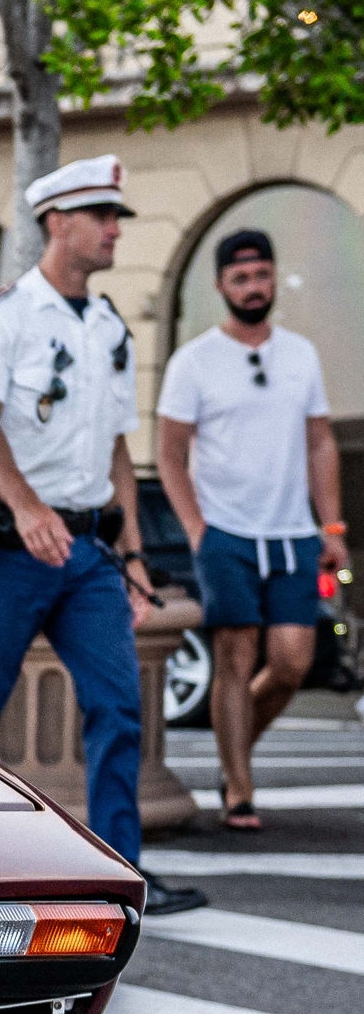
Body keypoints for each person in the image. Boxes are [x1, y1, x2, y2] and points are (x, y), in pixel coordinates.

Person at [0, 154, 205, 916]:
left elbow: (118, 445)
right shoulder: (5, 317)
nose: (115, 229)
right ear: (58, 223)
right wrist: (26, 506)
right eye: (103, 216)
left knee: (119, 707)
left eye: (116, 216)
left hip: (89, 551)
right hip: (8, 548)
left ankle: (122, 876)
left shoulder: (108, 325)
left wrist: (133, 558)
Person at [154, 228, 349, 830]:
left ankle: (231, 752)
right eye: (241, 278)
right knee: (234, 658)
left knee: (292, 661)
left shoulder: (300, 354)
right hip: (227, 535)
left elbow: (319, 442)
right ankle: (239, 787)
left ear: (273, 277)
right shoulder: (195, 360)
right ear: (221, 286)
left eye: (262, 275)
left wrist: (332, 524)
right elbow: (168, 454)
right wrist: (198, 531)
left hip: (292, 534)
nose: (254, 287)